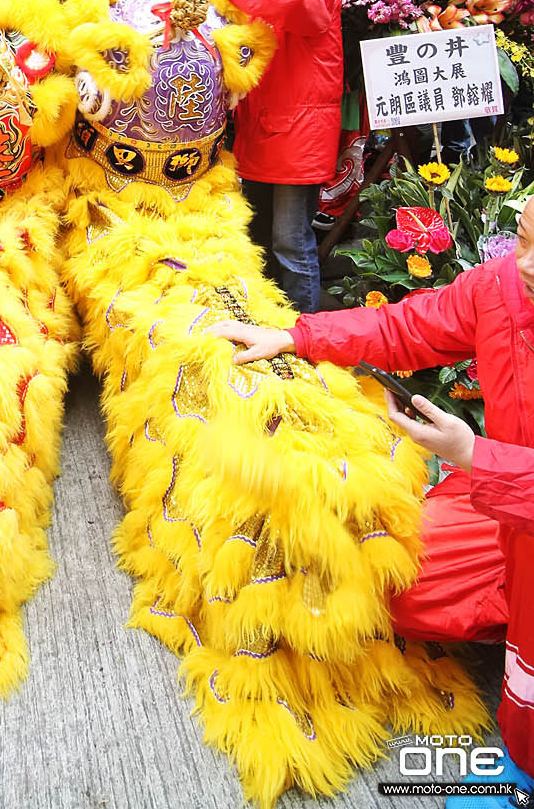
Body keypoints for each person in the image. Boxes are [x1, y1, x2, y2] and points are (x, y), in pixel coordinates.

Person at [212, 199, 534, 806]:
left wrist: (474, 457)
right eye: (523, 238)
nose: (530, 265)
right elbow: (405, 328)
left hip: (500, 482)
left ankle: (525, 770)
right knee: (383, 581)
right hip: (500, 500)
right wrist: (295, 335)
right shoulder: (502, 287)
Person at [197, 0, 342, 313]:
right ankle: (264, 321)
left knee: (291, 244)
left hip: (299, 137)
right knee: (259, 237)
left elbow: (284, 1)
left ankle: (305, 335)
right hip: (265, 133)